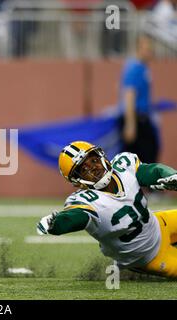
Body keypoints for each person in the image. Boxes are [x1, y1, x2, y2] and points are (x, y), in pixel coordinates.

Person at [36, 141, 177, 278]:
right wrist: (56, 224)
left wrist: (170, 175)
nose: (93, 167)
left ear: (101, 155)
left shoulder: (123, 166)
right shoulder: (87, 201)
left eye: (93, 160)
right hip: (149, 257)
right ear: (77, 181)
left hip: (159, 224)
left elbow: (153, 171)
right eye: (83, 169)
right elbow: (74, 217)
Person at [118, 34, 158, 164]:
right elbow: (129, 95)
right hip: (137, 120)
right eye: (147, 48)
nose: (150, 52)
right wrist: (130, 125)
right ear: (139, 48)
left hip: (142, 119)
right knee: (141, 161)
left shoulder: (142, 67)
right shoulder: (134, 68)